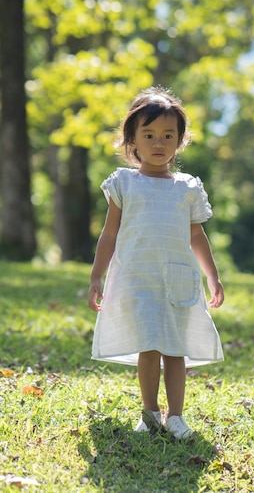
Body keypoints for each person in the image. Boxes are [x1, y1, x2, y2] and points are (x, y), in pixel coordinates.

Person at [88, 86, 224, 440]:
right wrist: (96, 277)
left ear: (180, 141)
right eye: (148, 135)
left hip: (176, 279)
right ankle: (149, 413)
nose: (158, 142)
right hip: (137, 277)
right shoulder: (124, 184)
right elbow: (109, 234)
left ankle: (176, 416)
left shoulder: (187, 187)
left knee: (174, 348)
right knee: (148, 345)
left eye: (168, 135)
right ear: (132, 139)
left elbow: (197, 236)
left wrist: (213, 277)